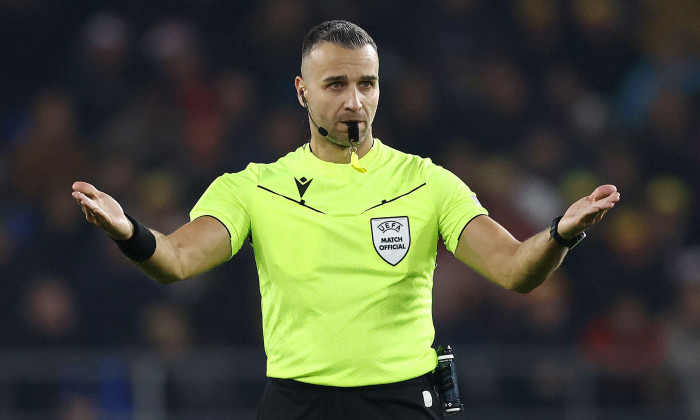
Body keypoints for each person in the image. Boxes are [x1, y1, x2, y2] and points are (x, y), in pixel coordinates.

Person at [72, 20, 620, 419]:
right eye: (336, 85)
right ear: (302, 91)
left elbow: (514, 269)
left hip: (401, 400)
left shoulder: (427, 182)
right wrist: (130, 233)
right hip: (296, 402)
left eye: (367, 83)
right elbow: (177, 260)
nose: (354, 100)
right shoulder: (255, 186)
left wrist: (559, 235)